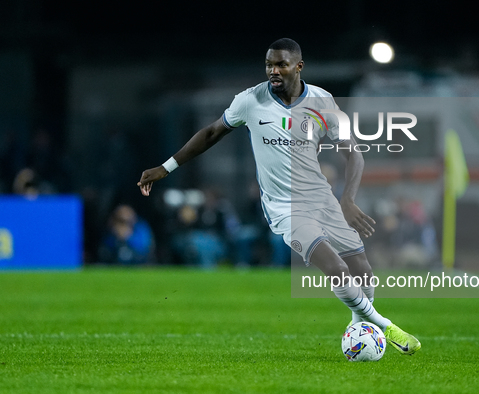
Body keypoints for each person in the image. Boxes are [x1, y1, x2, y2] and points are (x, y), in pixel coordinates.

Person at [137, 38, 420, 355]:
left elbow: (354, 154)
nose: (273, 70)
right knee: (338, 270)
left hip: (323, 200)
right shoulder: (250, 101)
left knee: (363, 270)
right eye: (269, 64)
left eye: (281, 64)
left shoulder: (323, 101)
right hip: (285, 209)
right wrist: (167, 167)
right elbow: (211, 132)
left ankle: (359, 326)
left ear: (298, 66)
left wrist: (347, 200)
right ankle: (383, 325)